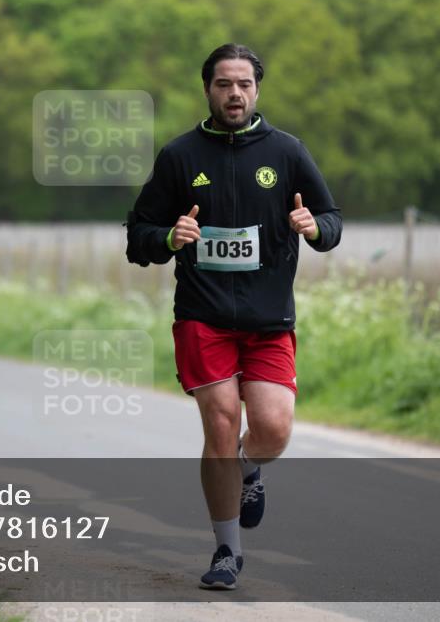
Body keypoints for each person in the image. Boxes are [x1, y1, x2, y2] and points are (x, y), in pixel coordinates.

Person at [126, 44, 342, 590]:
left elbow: (331, 219)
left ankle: (249, 468)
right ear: (208, 89)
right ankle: (227, 551)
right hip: (203, 315)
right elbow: (138, 235)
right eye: (224, 84)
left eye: (244, 84)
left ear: (257, 89)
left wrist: (314, 228)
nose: (235, 94)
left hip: (269, 318)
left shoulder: (287, 152)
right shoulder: (179, 156)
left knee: (273, 430)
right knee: (221, 422)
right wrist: (168, 237)